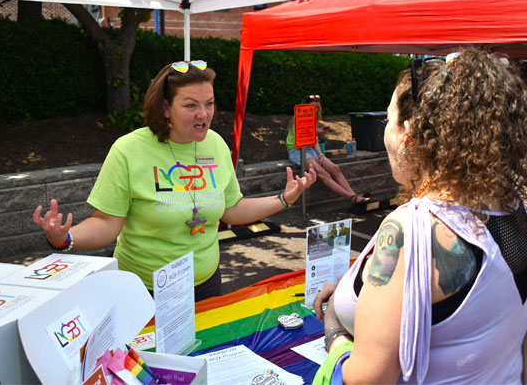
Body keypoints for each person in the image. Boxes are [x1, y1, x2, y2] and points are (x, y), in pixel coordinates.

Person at [312, 49, 527, 383]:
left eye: (388, 120)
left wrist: (335, 335)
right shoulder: (511, 204)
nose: (385, 132)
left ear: (410, 135)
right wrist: (352, 291)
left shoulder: (411, 231)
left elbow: (368, 378)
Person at [33, 60, 316, 301]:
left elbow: (231, 208)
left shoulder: (216, 145)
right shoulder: (128, 149)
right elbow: (107, 223)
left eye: (209, 103)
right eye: (190, 105)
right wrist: (65, 239)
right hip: (143, 290)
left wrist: (284, 199)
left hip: (206, 284)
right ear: (165, 108)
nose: (203, 114)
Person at [286, 95, 369, 204]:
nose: (315, 110)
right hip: (297, 150)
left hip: (309, 149)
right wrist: (316, 132)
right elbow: (302, 135)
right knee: (323, 173)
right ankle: (352, 198)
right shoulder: (299, 117)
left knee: (335, 168)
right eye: (313, 108)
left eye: (317, 108)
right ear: (306, 107)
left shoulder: (313, 119)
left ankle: (354, 196)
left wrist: (321, 155)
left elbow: (314, 140)